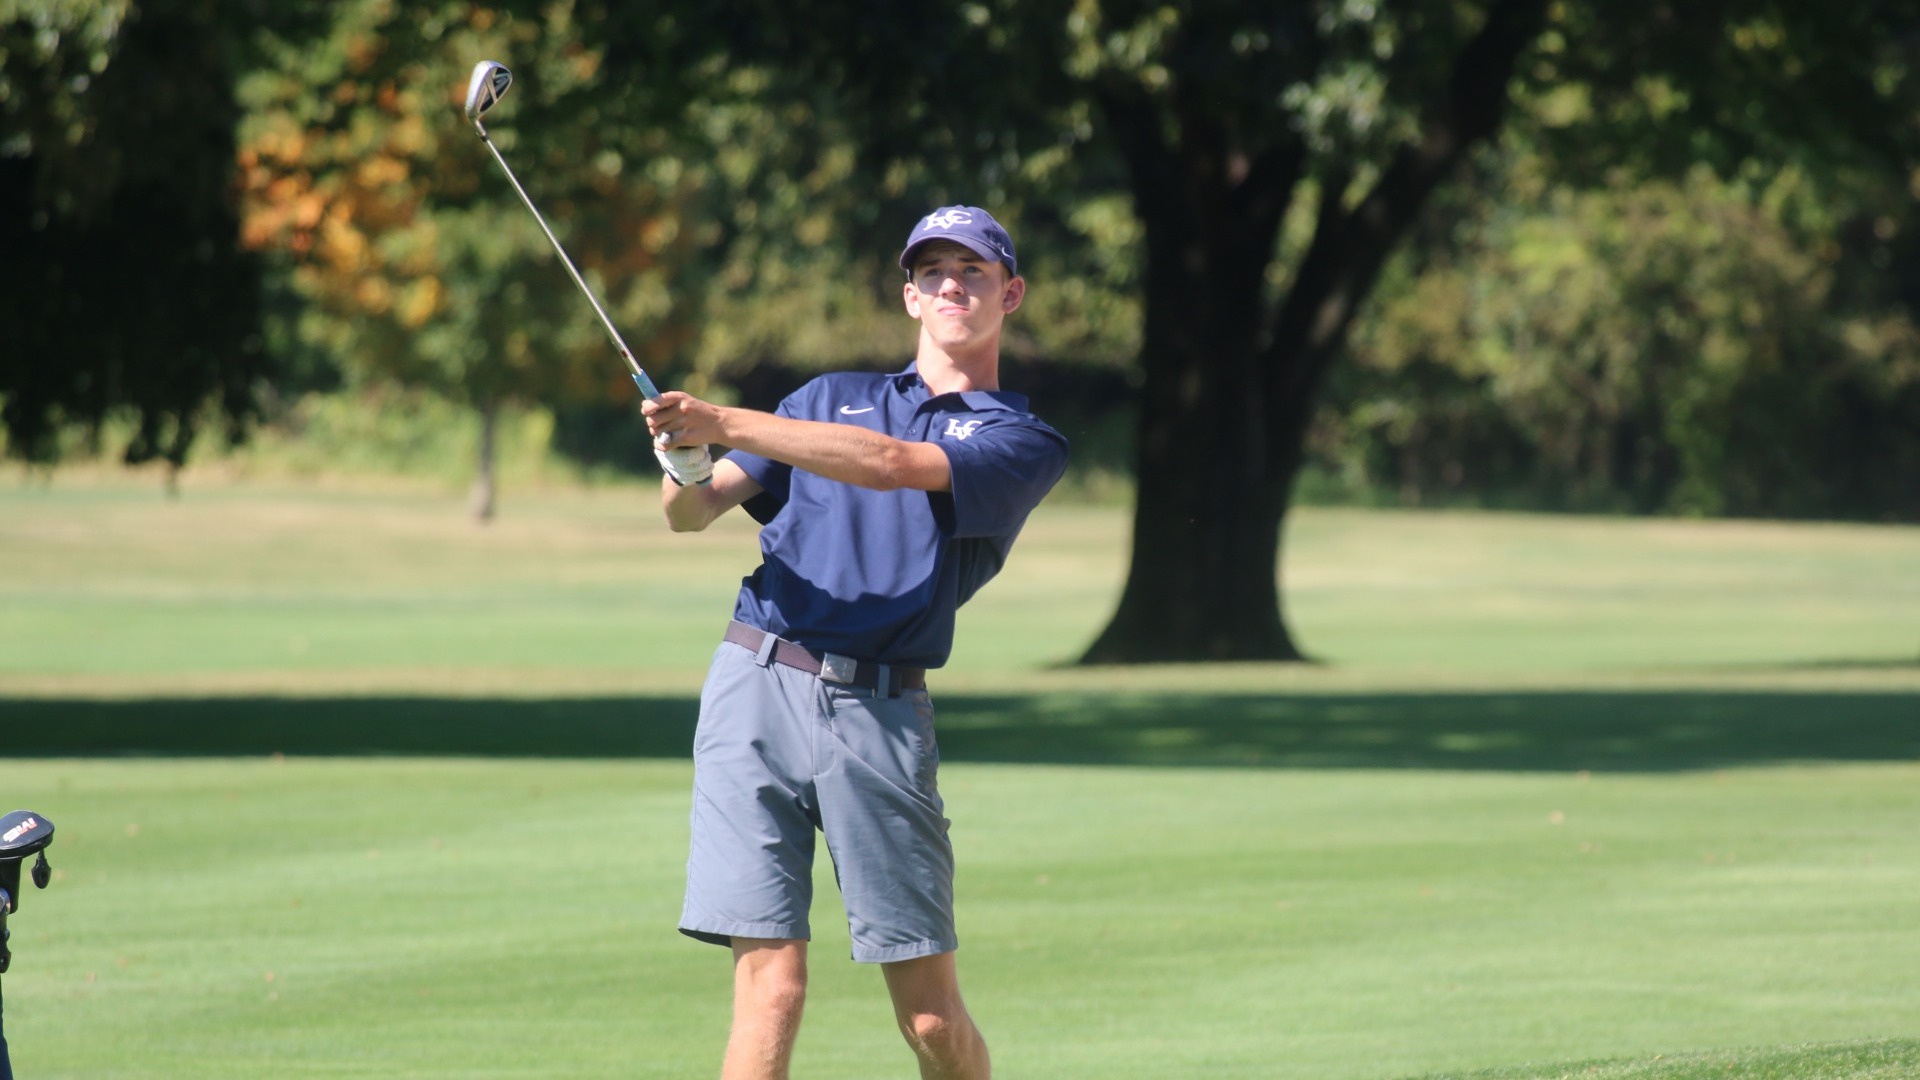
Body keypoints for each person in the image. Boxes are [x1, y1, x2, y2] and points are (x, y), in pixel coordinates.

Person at [641, 205, 1068, 1080]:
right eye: (933, 272)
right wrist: (684, 462)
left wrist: (724, 418)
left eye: (974, 271)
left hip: (878, 709)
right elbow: (691, 514)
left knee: (928, 1017)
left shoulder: (1020, 439)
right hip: (753, 677)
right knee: (772, 987)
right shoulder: (821, 399)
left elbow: (889, 464)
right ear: (909, 296)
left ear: (1009, 293)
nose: (952, 285)